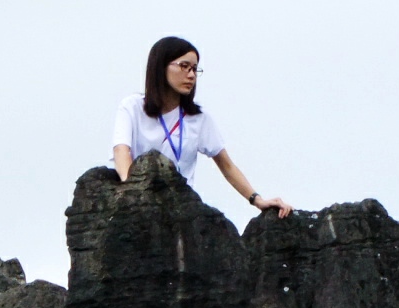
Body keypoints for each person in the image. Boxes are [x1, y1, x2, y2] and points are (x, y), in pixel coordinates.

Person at [111, 36, 294, 218]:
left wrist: (257, 200)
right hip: (139, 204)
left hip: (180, 209)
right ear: (161, 66)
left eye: (194, 69)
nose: (191, 75)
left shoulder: (198, 119)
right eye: (184, 66)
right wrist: (133, 192)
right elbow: (121, 151)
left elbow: (227, 166)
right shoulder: (132, 107)